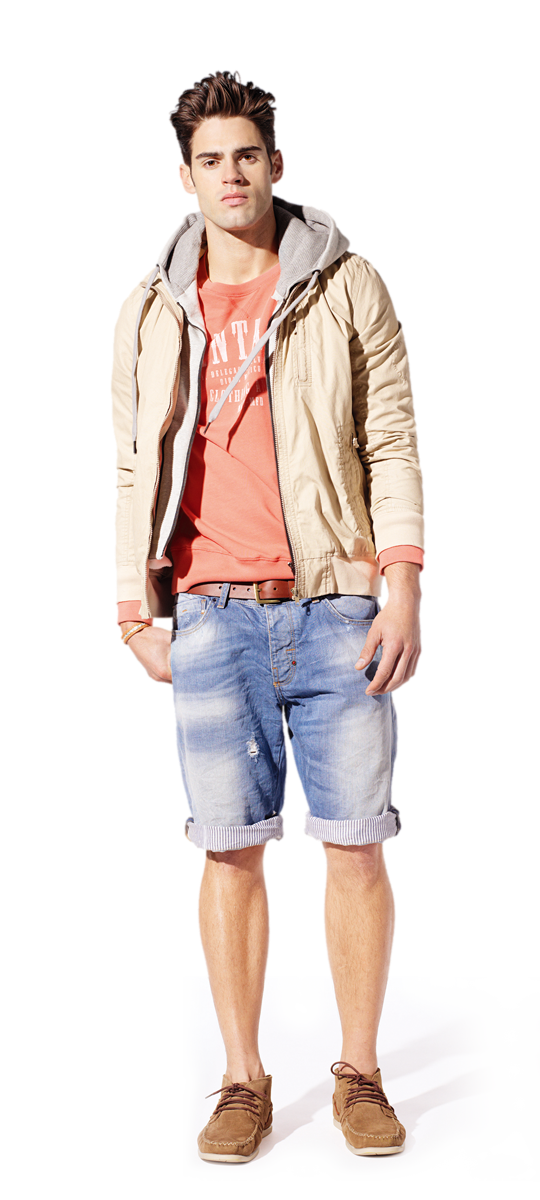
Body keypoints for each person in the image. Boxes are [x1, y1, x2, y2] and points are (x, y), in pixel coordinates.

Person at [111, 69, 424, 1163]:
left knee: (356, 846)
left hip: (337, 606)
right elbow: (133, 465)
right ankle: (242, 1081)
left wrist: (403, 582)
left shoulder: (346, 284)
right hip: (208, 616)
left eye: (248, 154)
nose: (231, 174)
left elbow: (393, 437)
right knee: (228, 853)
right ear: (185, 177)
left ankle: (360, 1073)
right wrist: (135, 612)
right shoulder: (150, 309)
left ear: (277, 164)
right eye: (211, 160)